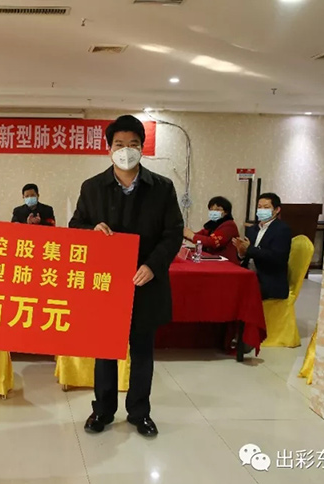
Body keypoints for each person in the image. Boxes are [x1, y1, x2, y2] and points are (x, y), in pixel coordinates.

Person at [70, 115, 183, 437]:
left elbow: (173, 233)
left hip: (146, 282)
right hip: (106, 285)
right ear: (109, 149)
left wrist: (153, 265)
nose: (126, 150)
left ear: (142, 149)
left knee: (142, 352)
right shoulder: (92, 187)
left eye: (133, 144)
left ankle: (139, 413)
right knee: (105, 352)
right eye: (119, 144)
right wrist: (91, 230)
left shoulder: (162, 188)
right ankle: (102, 411)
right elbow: (75, 226)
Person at [233, 192, 292, 300]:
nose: (261, 210)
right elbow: (246, 256)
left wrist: (250, 249)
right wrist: (241, 253)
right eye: (259, 207)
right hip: (249, 274)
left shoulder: (282, 230)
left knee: (236, 292)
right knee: (224, 283)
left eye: (266, 207)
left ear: (277, 210)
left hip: (269, 280)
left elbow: (277, 258)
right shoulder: (252, 229)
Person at [183, 196, 240, 264]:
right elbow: (199, 235)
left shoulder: (229, 225)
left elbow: (212, 242)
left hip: (227, 263)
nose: (214, 212)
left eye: (217, 209)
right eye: (211, 209)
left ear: (226, 212)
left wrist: (191, 236)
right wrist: (183, 233)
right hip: (212, 260)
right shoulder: (212, 224)